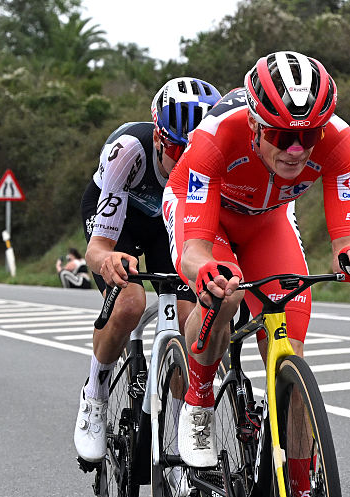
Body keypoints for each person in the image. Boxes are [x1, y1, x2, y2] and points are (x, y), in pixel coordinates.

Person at [162, 51, 350, 497]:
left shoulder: (336, 141)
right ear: (257, 123)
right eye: (282, 135)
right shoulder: (217, 138)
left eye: (306, 137)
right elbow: (193, 248)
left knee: (291, 352)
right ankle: (197, 397)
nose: (295, 149)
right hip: (206, 221)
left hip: (267, 224)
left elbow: (345, 234)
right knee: (227, 292)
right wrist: (206, 276)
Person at [73, 77, 222, 465]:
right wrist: (108, 260)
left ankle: (175, 438)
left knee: (192, 324)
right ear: (158, 137)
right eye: (176, 147)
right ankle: (95, 396)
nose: (186, 157)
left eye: (196, 148)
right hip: (120, 221)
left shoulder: (207, 169)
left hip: (167, 225)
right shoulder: (128, 152)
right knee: (129, 303)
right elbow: (96, 249)